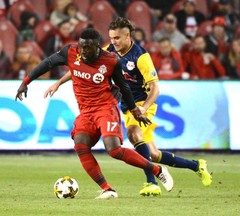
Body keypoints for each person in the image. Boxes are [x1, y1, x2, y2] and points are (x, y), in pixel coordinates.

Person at [46, 18, 213, 196]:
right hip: (126, 105)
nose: (113, 42)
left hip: (142, 103)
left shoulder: (141, 57)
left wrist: (144, 107)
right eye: (111, 38)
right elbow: (84, 65)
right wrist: (59, 82)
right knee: (153, 154)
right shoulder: (108, 50)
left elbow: (155, 88)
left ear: (128, 36)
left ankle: (151, 183)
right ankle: (197, 165)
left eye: (117, 38)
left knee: (133, 134)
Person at [15, 28, 174, 199]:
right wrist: (26, 82)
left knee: (114, 150)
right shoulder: (71, 52)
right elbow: (47, 63)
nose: (83, 51)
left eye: (87, 48)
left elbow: (124, 87)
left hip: (106, 108)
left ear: (97, 47)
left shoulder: (110, 61)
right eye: (82, 47)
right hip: (85, 111)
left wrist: (135, 109)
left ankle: (157, 170)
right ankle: (107, 189)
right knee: (80, 145)